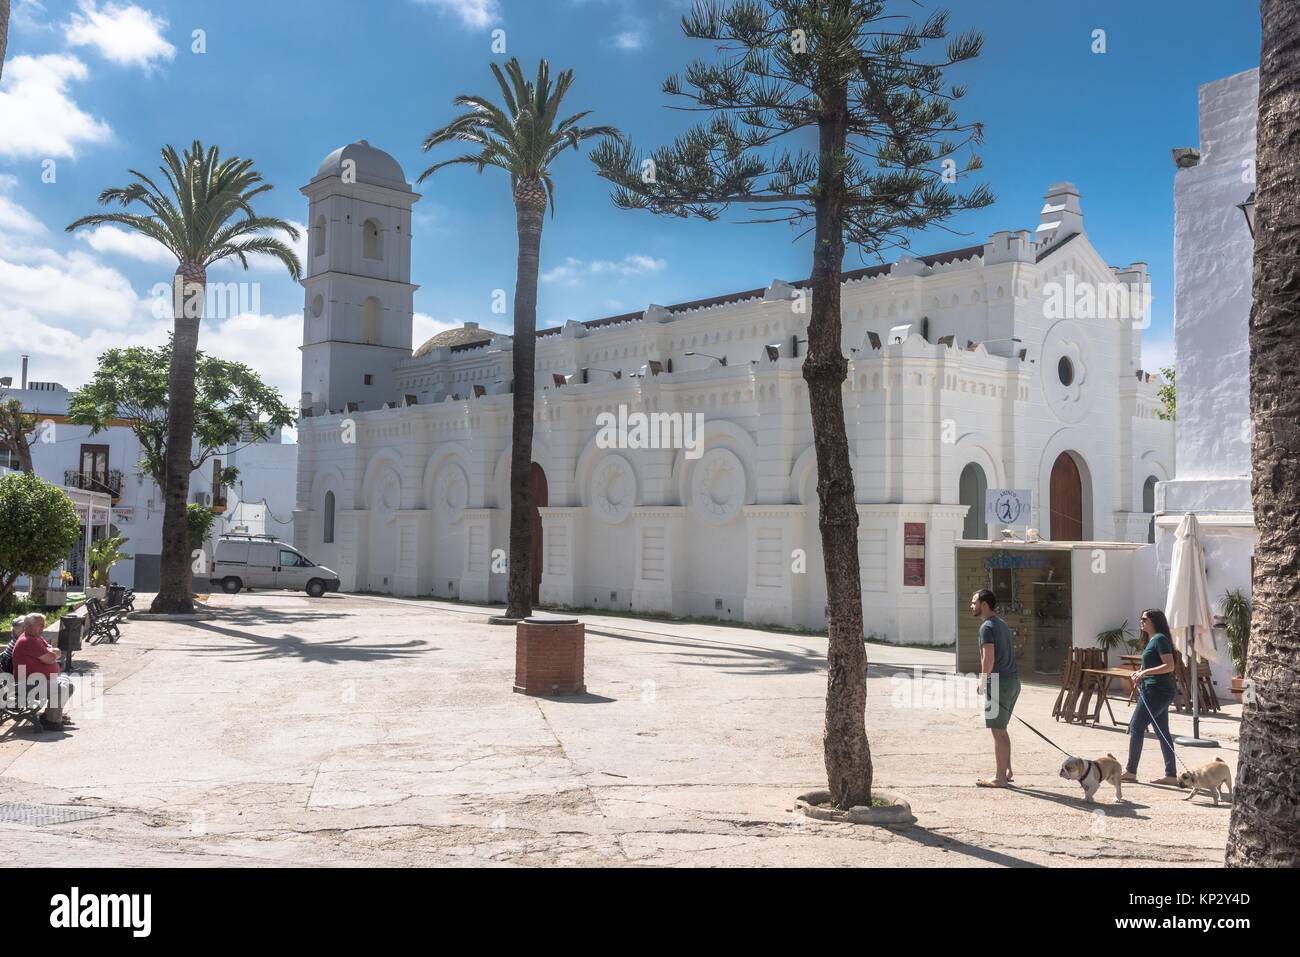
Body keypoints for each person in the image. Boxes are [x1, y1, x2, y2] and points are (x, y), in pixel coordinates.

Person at [1124, 608, 1178, 785]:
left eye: (1144, 619)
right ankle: (1171, 775)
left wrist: (1144, 672)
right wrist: (1139, 673)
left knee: (1136, 727)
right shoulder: (1152, 640)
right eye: (1141, 618)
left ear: (1154, 621)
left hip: (1157, 691)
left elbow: (1169, 666)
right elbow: (1153, 664)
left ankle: (1131, 771)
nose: (1141, 621)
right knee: (1162, 732)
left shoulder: (1160, 639)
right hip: (1156, 690)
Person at [971, 588, 1020, 788]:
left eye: (974, 602)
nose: (971, 605)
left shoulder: (987, 627)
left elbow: (988, 658)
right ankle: (1007, 771)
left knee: (998, 731)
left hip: (999, 682)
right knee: (1002, 729)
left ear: (984, 604)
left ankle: (1000, 778)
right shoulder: (1001, 623)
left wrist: (982, 682)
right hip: (1013, 682)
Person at [11, 613, 73, 732]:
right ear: (28, 626)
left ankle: (49, 717)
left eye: (44, 625)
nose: (43, 628)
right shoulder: (28, 641)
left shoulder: (36, 638)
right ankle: (52, 721)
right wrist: (51, 654)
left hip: (40, 681)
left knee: (68, 684)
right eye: (39, 625)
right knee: (61, 689)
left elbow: (55, 652)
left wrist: (51, 654)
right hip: (27, 685)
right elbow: (51, 657)